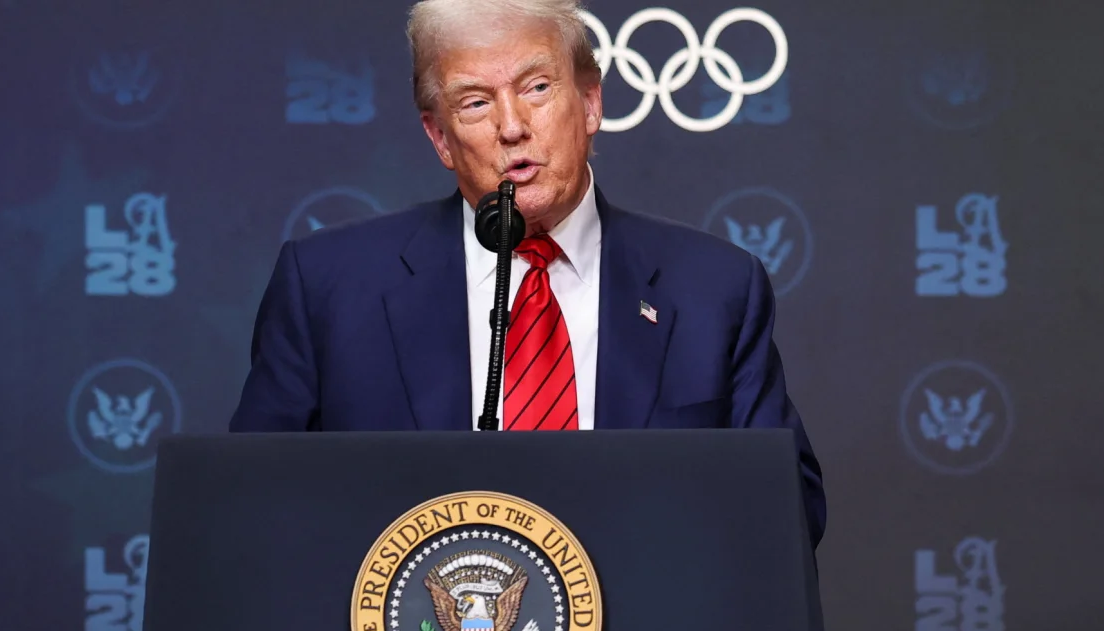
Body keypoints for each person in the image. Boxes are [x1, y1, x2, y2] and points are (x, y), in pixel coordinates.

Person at [228, 0, 826, 550]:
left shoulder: (713, 289)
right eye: (475, 103)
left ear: (590, 102)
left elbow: (788, 510)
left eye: (537, 88)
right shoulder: (329, 287)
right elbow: (250, 512)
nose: (511, 126)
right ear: (440, 137)